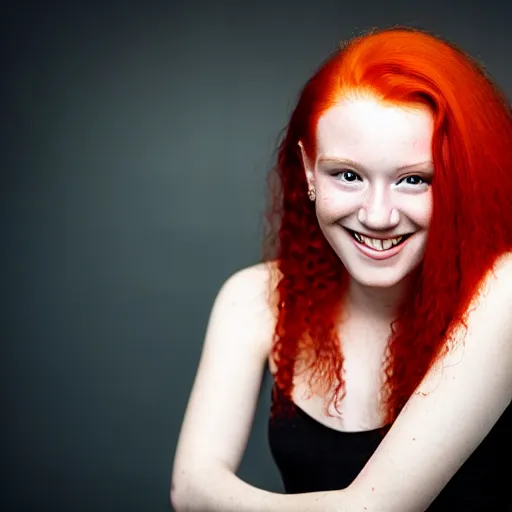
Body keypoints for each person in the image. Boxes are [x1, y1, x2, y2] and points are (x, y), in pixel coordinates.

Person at [171, 26, 512, 512]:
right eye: (347, 175)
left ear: (459, 180)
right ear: (309, 171)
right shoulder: (251, 300)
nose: (377, 215)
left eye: (414, 179)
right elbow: (188, 491)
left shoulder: (504, 291)